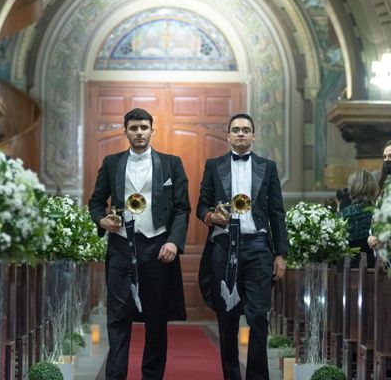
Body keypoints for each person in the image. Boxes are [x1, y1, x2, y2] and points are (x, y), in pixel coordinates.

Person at [88, 108, 190, 380]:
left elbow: (182, 208)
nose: (139, 132)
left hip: (158, 247)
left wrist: (174, 242)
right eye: (133, 128)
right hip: (122, 247)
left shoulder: (171, 163)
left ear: (152, 130)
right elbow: (96, 202)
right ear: (125, 132)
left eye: (144, 127)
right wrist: (102, 221)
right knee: (118, 320)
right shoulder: (111, 162)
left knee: (156, 321)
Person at [197, 113, 288, 380]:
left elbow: (277, 213)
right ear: (227, 135)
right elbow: (202, 205)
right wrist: (211, 217)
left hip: (258, 246)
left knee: (258, 317)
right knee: (227, 319)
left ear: (253, 136)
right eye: (235, 129)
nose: (240, 133)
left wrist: (281, 253)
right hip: (223, 246)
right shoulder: (214, 165)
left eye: (245, 129)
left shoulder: (267, 167)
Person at [341, 170, 378, 268]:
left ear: (352, 188)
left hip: (349, 266)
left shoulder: (344, 215)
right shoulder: (379, 211)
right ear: (373, 187)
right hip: (375, 265)